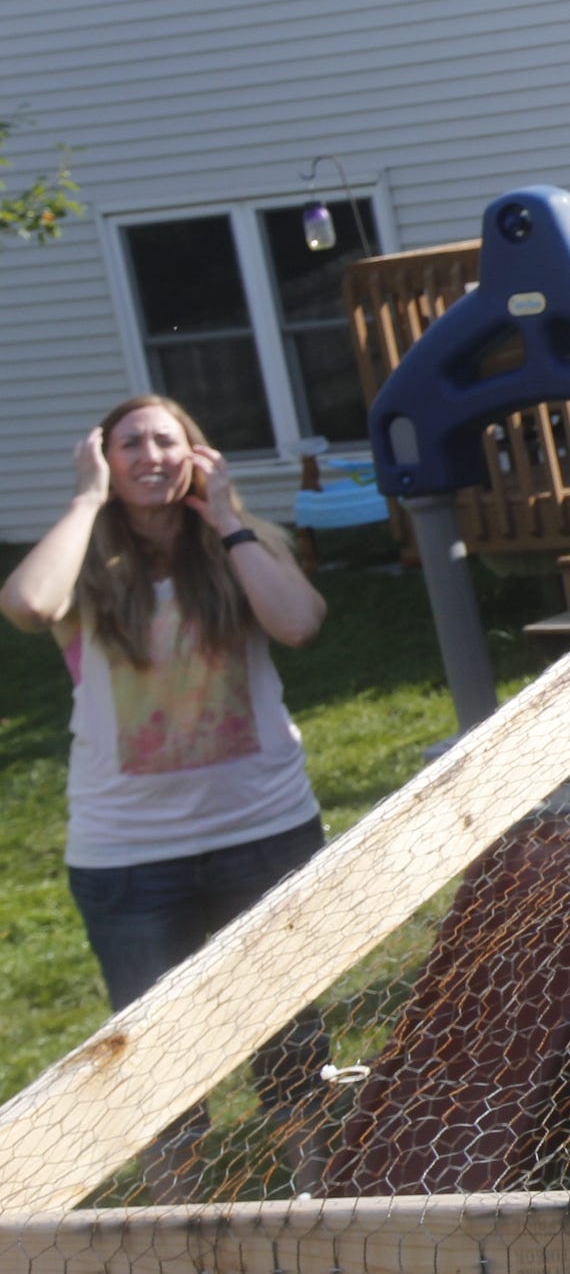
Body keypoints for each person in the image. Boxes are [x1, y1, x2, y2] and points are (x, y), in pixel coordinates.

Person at [0, 396, 334, 1200]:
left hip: (265, 833)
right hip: (128, 858)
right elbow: (28, 605)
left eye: (167, 439)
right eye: (129, 444)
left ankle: (323, 1188)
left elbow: (300, 623)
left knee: (290, 1028)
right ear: (103, 459)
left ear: (196, 453)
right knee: (152, 1046)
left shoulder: (239, 542)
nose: (150, 454)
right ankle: (177, 1210)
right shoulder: (82, 556)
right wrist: (84, 501)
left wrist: (228, 519)